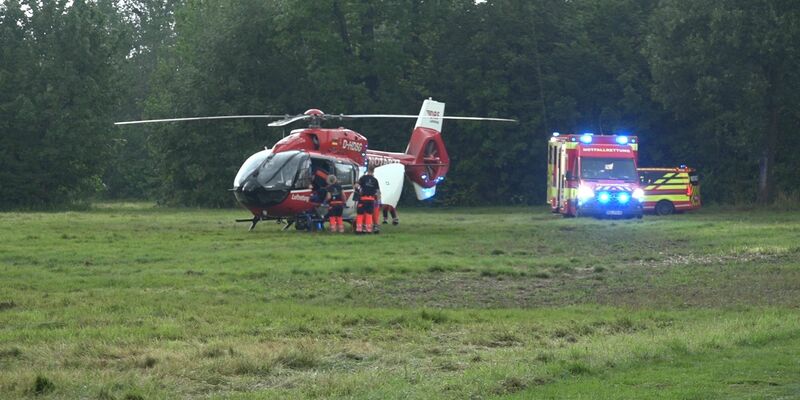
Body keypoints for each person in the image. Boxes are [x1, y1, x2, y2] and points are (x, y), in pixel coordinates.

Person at [354, 165, 380, 234]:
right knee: (369, 214)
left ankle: (359, 229)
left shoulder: (363, 178)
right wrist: (377, 200)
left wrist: (358, 190)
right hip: (371, 199)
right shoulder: (375, 180)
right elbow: (378, 192)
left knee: (360, 214)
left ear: (368, 170)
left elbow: (356, 186)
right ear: (373, 171)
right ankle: (368, 230)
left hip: (363, 199)